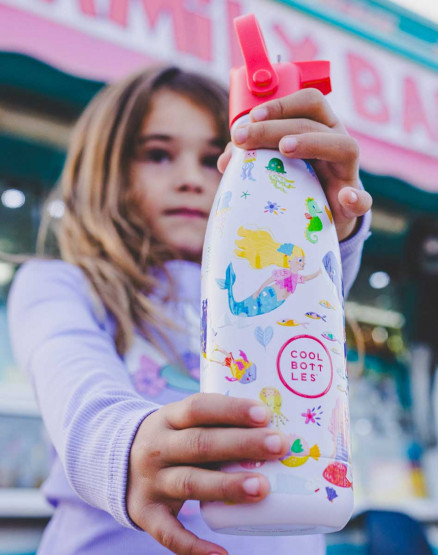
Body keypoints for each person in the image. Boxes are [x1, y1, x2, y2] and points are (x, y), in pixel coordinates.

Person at [7, 65, 372, 555]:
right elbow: (75, 391)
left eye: (212, 159)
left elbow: (310, 296)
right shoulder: (61, 285)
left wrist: (330, 221)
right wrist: (128, 447)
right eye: (157, 154)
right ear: (105, 170)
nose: (188, 180)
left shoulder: (264, 278)